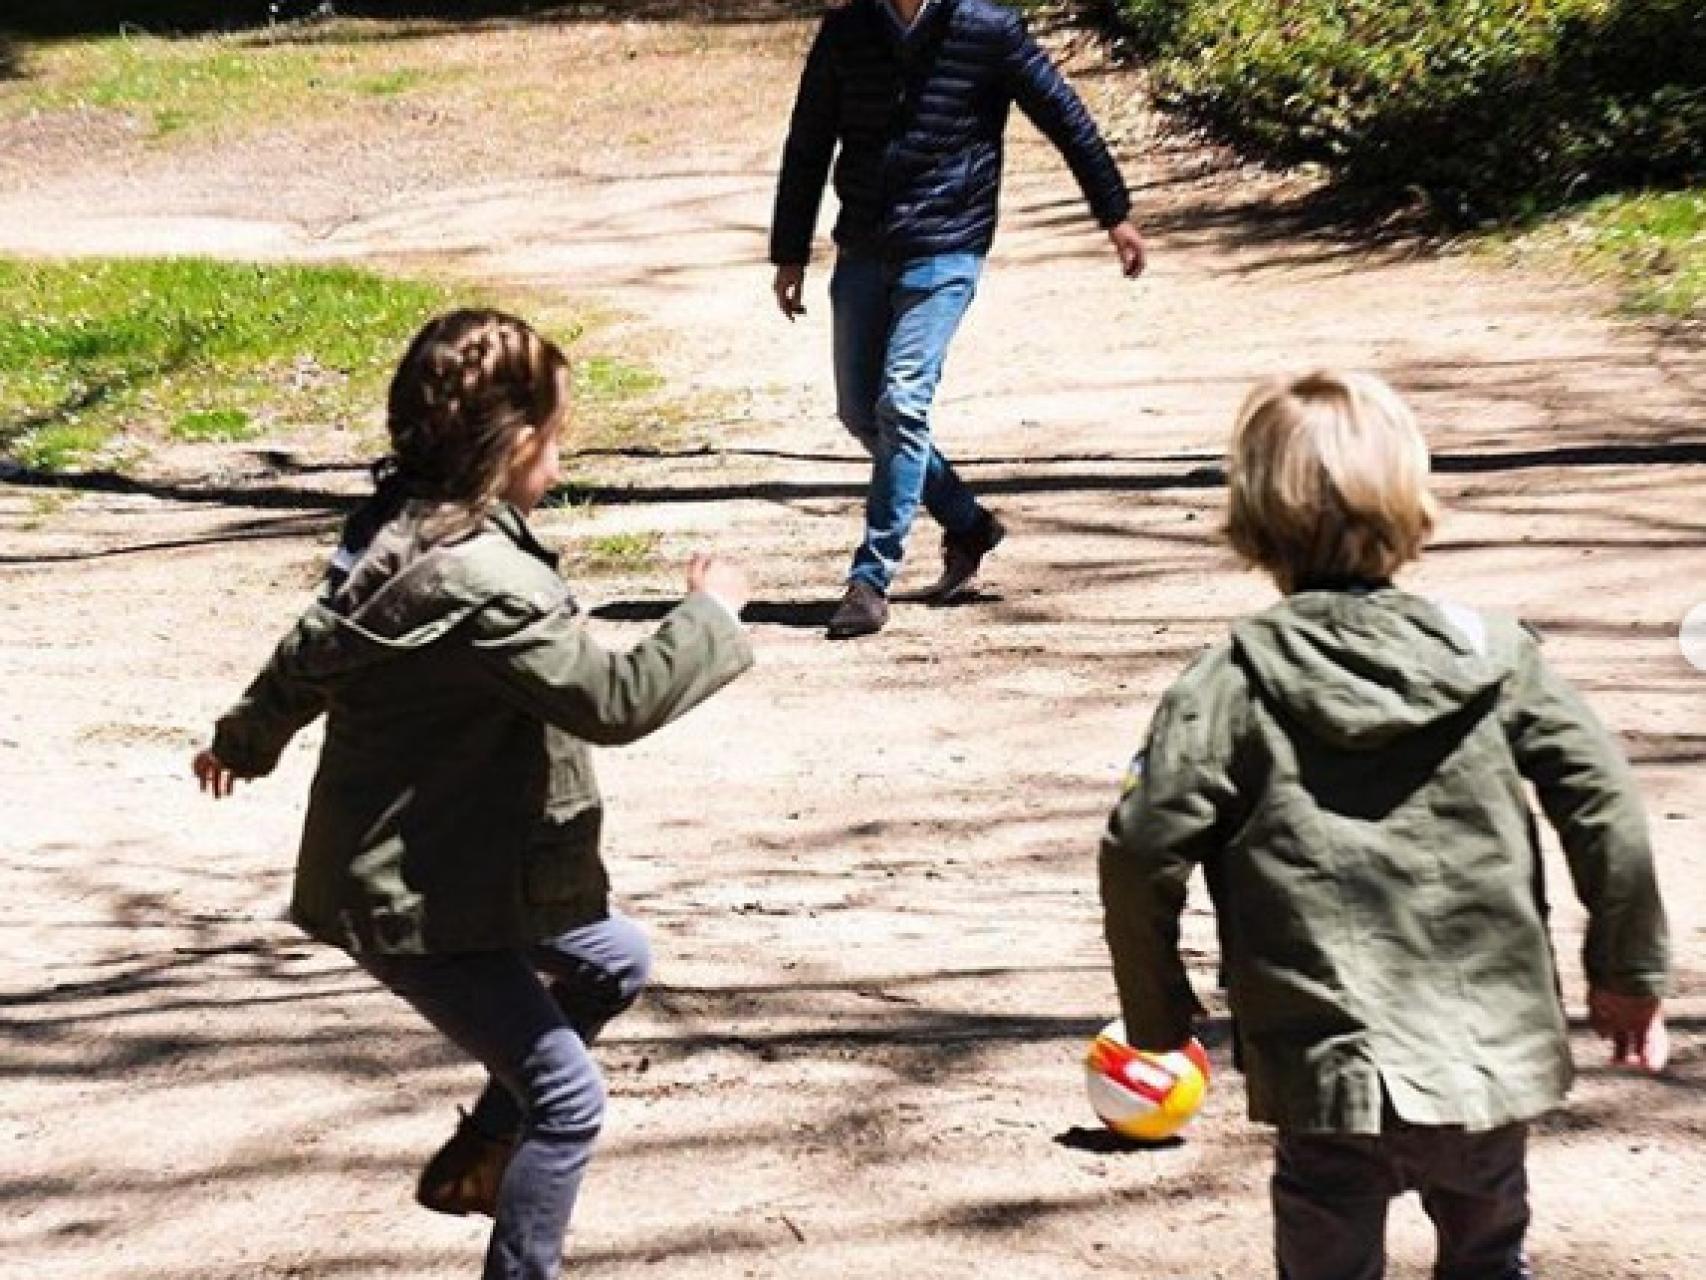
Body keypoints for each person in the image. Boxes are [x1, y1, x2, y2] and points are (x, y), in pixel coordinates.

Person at [191, 309, 754, 1280]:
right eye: (557, 435)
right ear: (515, 442)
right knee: (569, 1101)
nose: (562, 457)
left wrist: (243, 740)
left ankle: (484, 1153)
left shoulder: (395, 532)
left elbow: (306, 651)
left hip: (448, 867)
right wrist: (707, 613)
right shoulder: (488, 582)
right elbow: (613, 699)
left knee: (612, 957)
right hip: (414, 902)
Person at [1097, 370, 1670, 1280]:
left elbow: (1139, 850)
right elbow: (1603, 800)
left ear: (1249, 509)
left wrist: (1159, 1014)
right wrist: (1628, 971)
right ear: (1410, 494)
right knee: (1488, 1253)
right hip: (1484, 1058)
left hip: (1331, 1074)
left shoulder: (1229, 682)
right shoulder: (1495, 656)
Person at [770, 0, 1146, 638]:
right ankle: (968, 523)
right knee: (862, 411)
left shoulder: (988, 28)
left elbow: (1065, 116)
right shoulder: (846, 30)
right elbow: (808, 141)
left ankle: (870, 579)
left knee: (902, 402)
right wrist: (789, 251)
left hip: (948, 244)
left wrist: (1115, 214)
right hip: (863, 245)